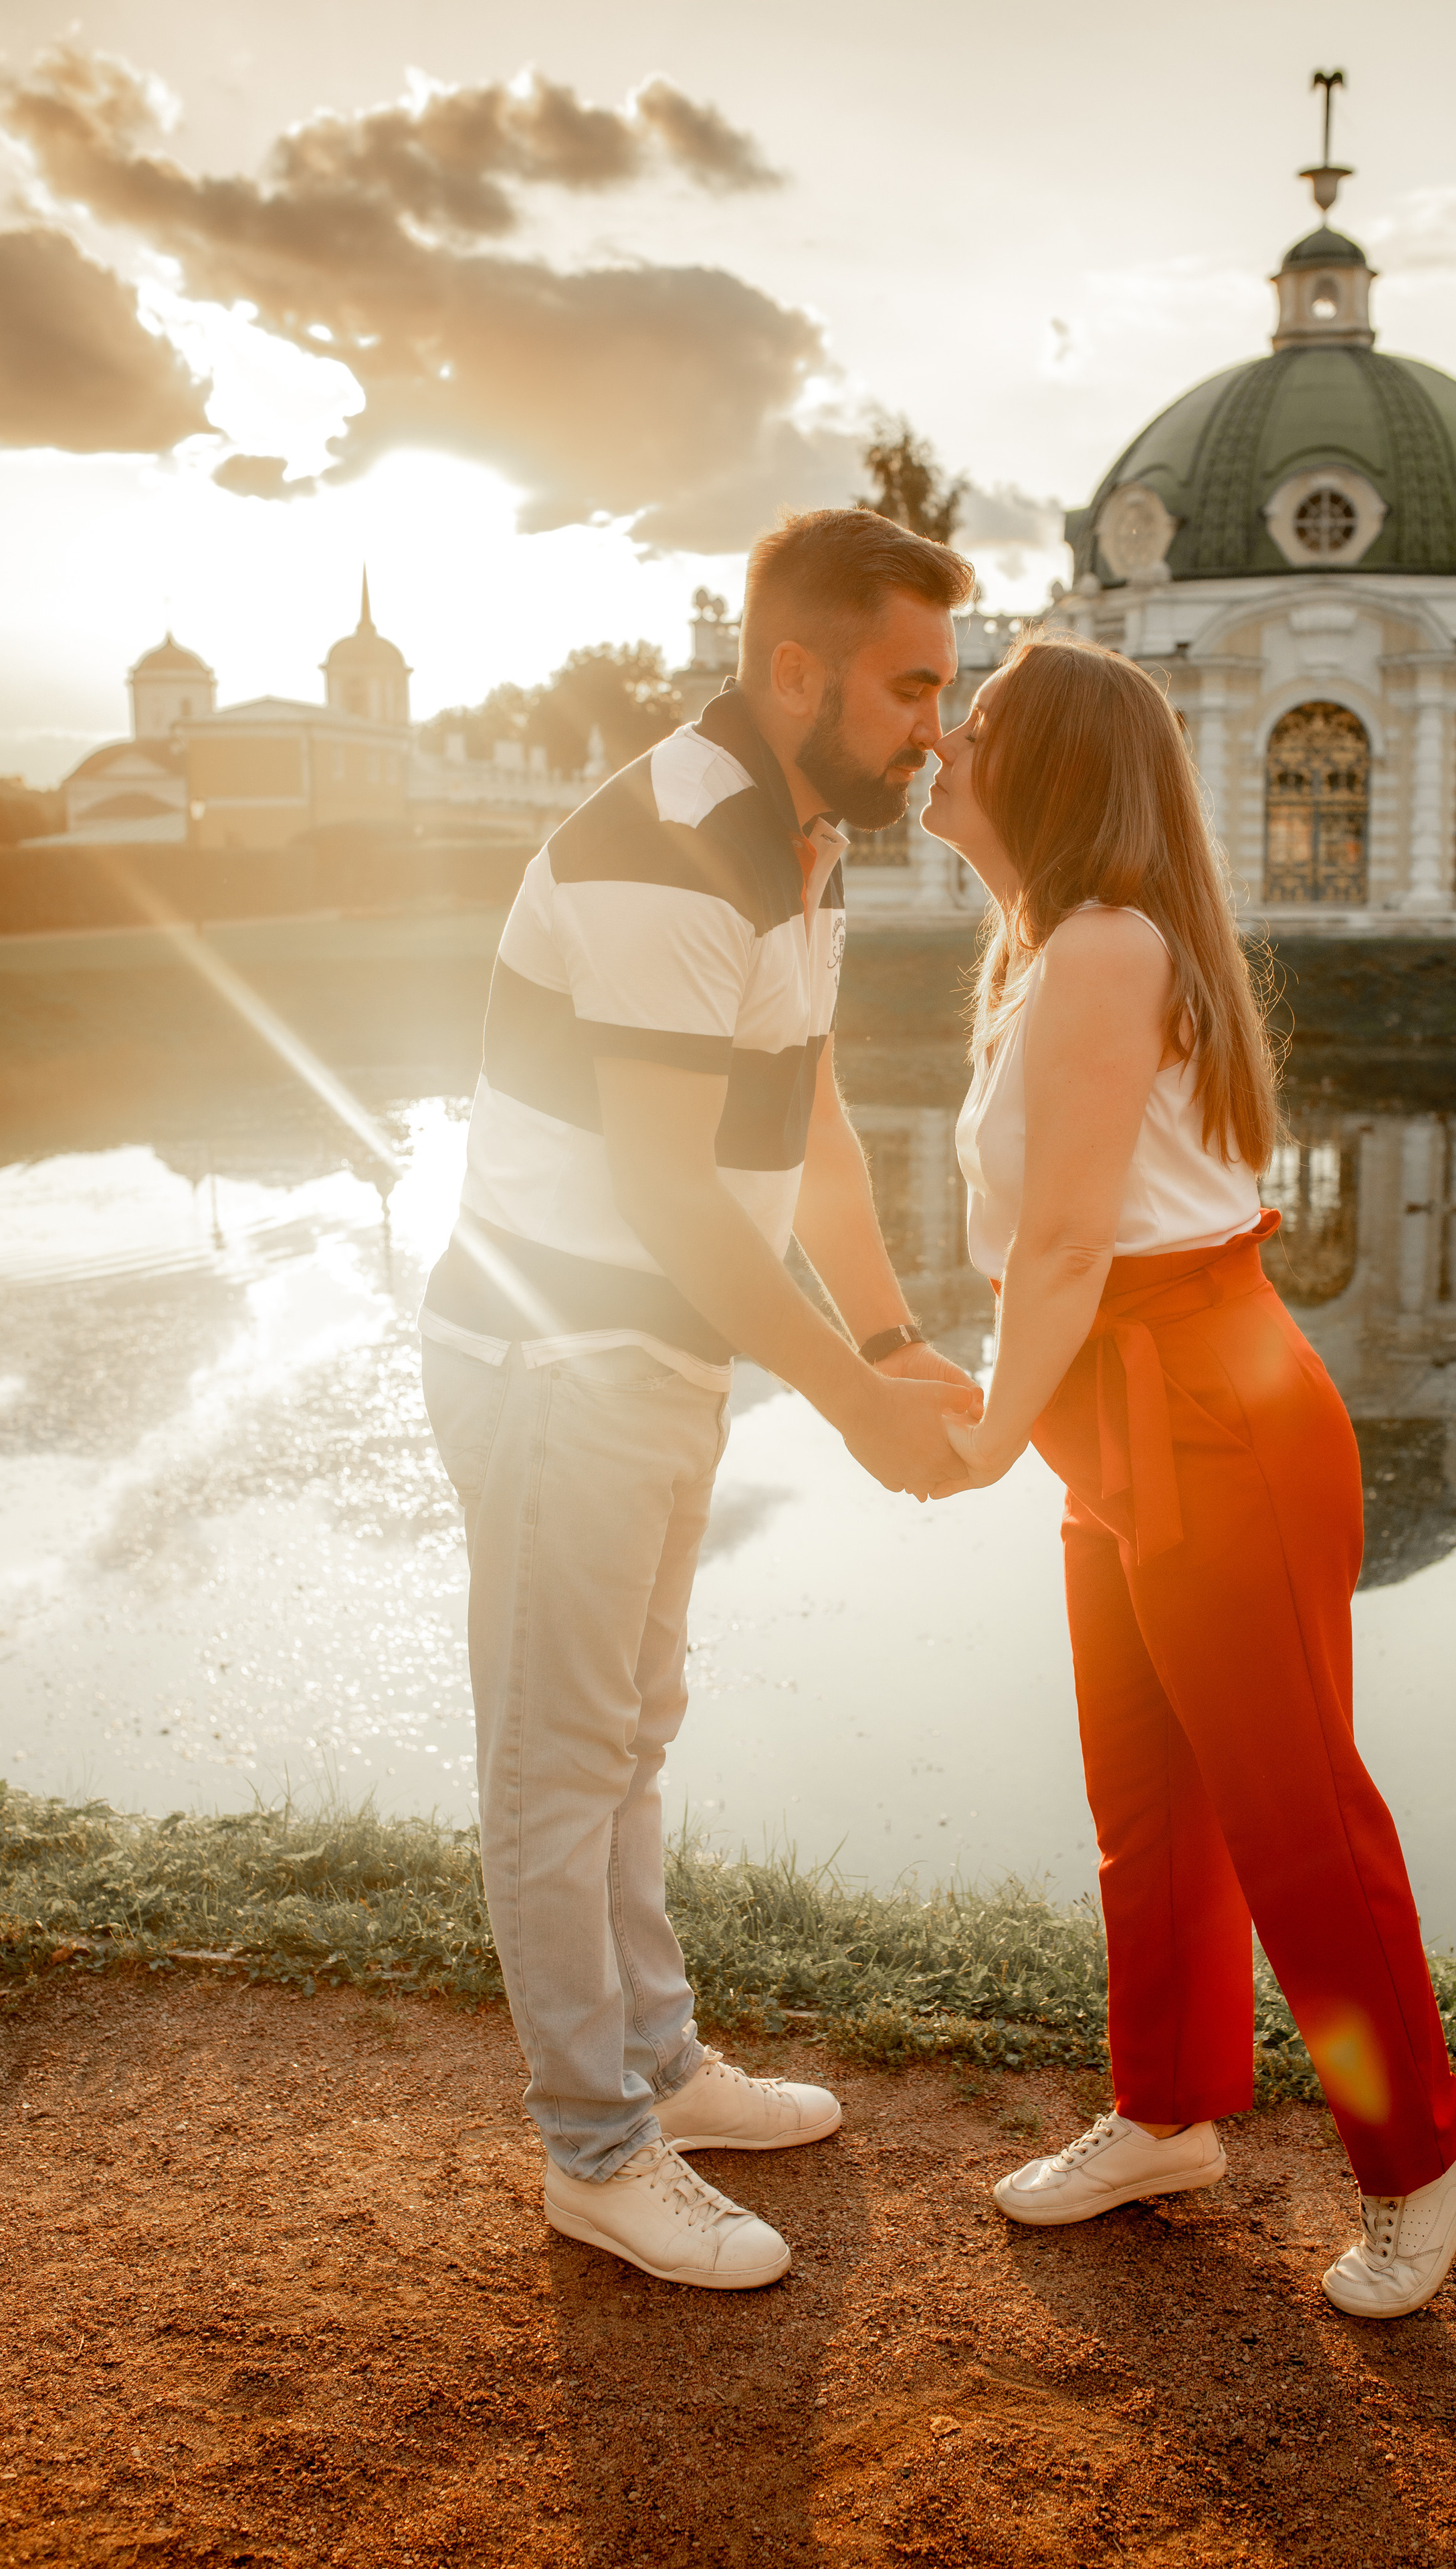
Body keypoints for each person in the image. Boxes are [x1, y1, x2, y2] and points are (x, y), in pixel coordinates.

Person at [419, 510, 979, 2290]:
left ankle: (662, 2065)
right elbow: (669, 1190)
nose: (934, 730)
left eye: (943, 691)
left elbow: (803, 1112)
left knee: (634, 1724)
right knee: (560, 1755)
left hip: (662, 1343)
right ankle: (595, 2145)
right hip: (563, 1351)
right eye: (910, 685)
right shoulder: (673, 842)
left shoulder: (802, 833)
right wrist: (848, 1400)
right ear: (794, 668)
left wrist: (886, 1343)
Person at [925, 633, 1456, 2321]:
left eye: (975, 730)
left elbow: (1064, 1235)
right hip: (1131, 1407)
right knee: (1149, 1804)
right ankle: (1165, 2113)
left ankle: (1419, 2153)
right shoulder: (1050, 944)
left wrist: (977, 1431)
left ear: (1043, 769)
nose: (941, 746)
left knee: (1293, 1814)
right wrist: (1031, 1416)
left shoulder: (1104, 945)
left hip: (1205, 1403)